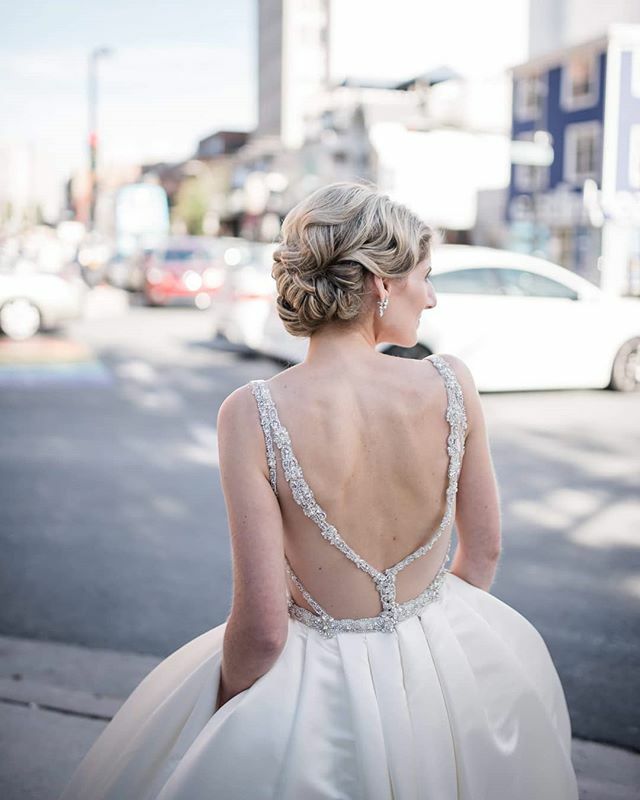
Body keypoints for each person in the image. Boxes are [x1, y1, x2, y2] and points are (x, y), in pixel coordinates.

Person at [58, 182, 579, 799]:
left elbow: (262, 630)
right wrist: (430, 645)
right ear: (381, 284)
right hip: (448, 662)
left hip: (316, 683)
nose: (432, 298)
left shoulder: (252, 413)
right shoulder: (451, 383)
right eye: (425, 276)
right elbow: (484, 553)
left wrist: (220, 706)